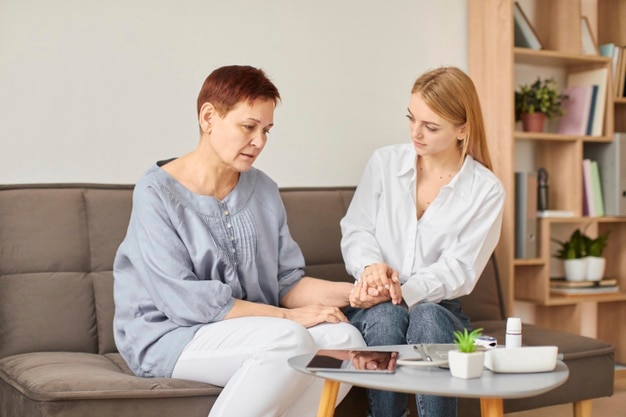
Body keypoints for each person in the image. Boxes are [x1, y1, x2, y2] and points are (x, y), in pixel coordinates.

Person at [113, 65, 366, 417]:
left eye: (266, 130)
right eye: (249, 127)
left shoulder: (263, 189)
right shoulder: (156, 191)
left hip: (256, 331)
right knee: (289, 340)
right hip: (171, 336)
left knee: (347, 343)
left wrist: (358, 293)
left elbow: (286, 282)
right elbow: (185, 301)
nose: (259, 141)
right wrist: (287, 317)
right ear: (208, 117)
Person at [340, 66, 505, 417]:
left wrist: (402, 292)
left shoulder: (486, 190)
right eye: (411, 118)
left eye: (430, 127)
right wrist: (372, 270)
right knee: (385, 316)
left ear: (463, 129)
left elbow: (458, 270)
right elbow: (357, 230)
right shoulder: (384, 163)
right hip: (374, 304)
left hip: (441, 310)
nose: (416, 133)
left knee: (427, 315)